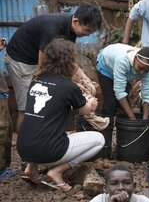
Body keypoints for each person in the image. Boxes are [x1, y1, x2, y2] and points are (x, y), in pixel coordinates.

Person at [16, 38, 105, 191]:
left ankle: (31, 168)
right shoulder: (68, 87)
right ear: (69, 62)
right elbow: (85, 111)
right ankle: (57, 171)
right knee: (99, 140)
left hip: (23, 148)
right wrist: (92, 104)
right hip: (49, 151)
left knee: (39, 123)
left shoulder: (36, 81)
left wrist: (74, 88)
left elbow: (55, 90)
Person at [3, 2, 102, 132]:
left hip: (33, 59)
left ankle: (38, 139)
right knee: (27, 108)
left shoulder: (72, 31)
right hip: (20, 61)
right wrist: (71, 83)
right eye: (87, 30)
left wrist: (84, 78)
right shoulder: (52, 28)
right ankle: (24, 146)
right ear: (76, 21)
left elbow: (67, 59)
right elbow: (43, 66)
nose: (87, 34)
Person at [96, 43, 149, 120]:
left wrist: (145, 120)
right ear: (134, 59)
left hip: (124, 73)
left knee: (124, 105)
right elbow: (119, 91)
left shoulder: (146, 68)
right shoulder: (122, 60)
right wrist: (132, 118)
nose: (142, 72)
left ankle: (121, 128)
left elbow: (147, 93)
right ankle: (106, 128)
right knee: (110, 102)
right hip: (106, 67)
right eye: (140, 68)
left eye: (146, 70)